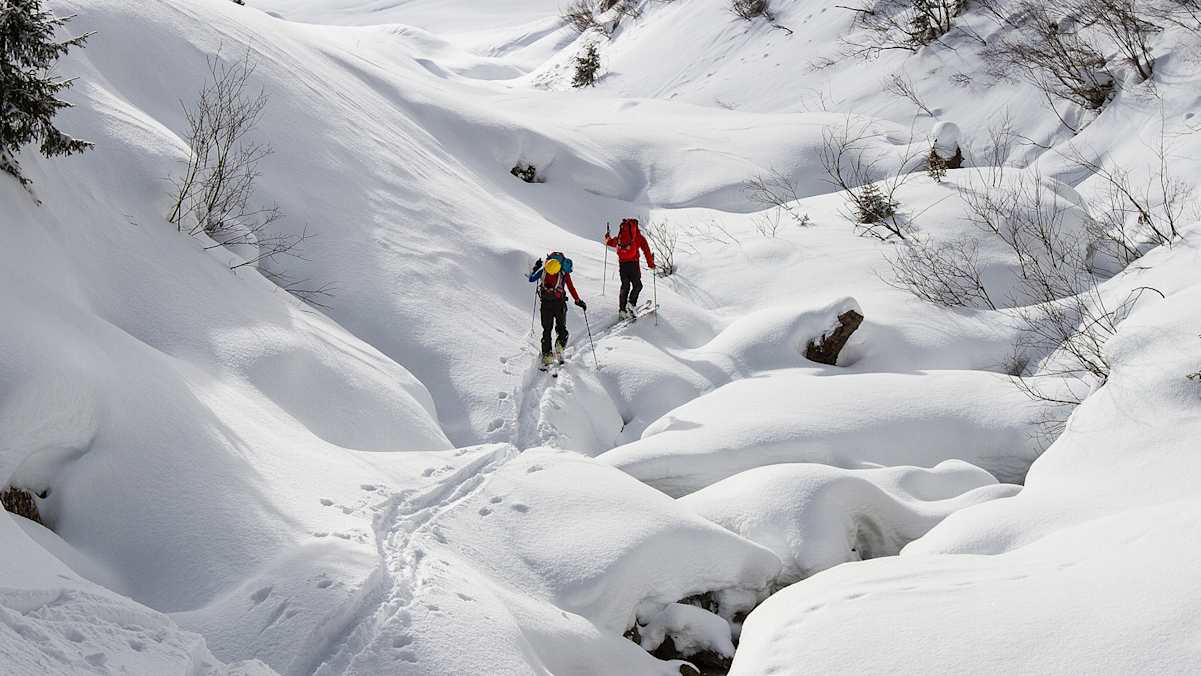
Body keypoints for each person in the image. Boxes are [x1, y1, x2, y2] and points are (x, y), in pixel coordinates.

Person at [529, 252, 586, 368]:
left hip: (545, 304)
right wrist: (578, 300)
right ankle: (559, 345)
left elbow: (531, 279)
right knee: (561, 328)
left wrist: (536, 267)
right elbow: (570, 287)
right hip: (559, 304)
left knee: (547, 330)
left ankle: (547, 356)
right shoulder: (563, 273)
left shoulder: (544, 270)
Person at [604, 218, 655, 319]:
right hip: (634, 264)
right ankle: (631, 304)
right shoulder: (638, 237)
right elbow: (647, 251)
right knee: (637, 285)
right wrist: (651, 264)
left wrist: (607, 238)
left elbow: (611, 243)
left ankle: (622, 310)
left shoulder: (621, 236)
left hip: (622, 264)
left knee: (625, 286)